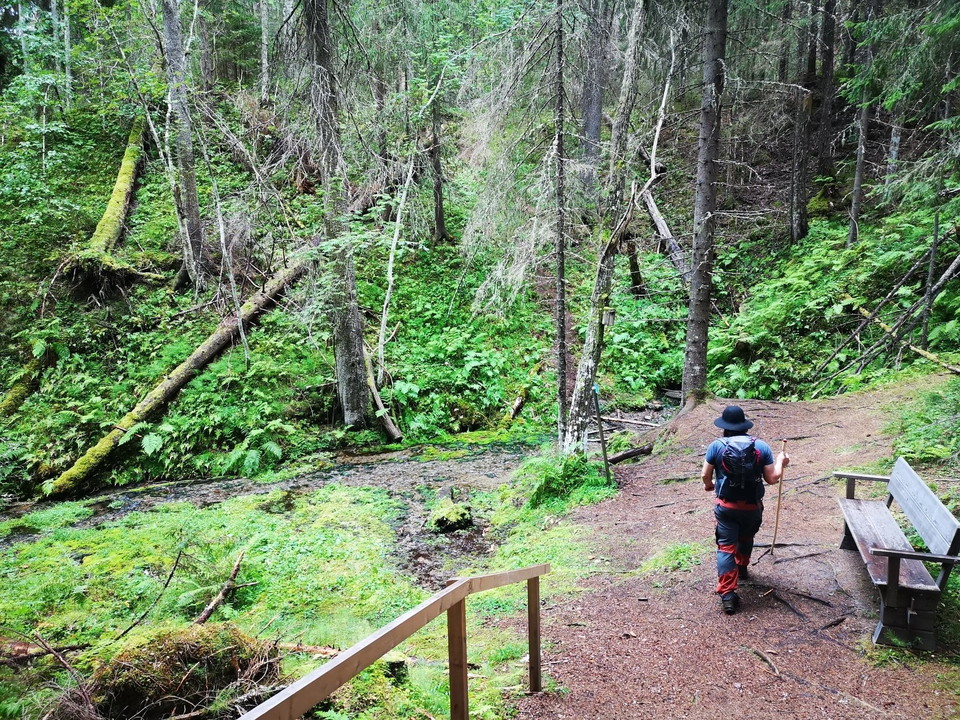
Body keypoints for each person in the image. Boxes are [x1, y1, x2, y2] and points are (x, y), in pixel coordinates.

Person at [701, 405, 789, 615]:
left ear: (724, 427)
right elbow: (772, 479)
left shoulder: (716, 446)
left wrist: (708, 485)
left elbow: (705, 474)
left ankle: (728, 594)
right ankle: (741, 567)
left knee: (726, 547)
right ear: (744, 426)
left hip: (726, 507)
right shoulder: (761, 446)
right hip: (752, 507)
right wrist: (781, 462)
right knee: (746, 537)